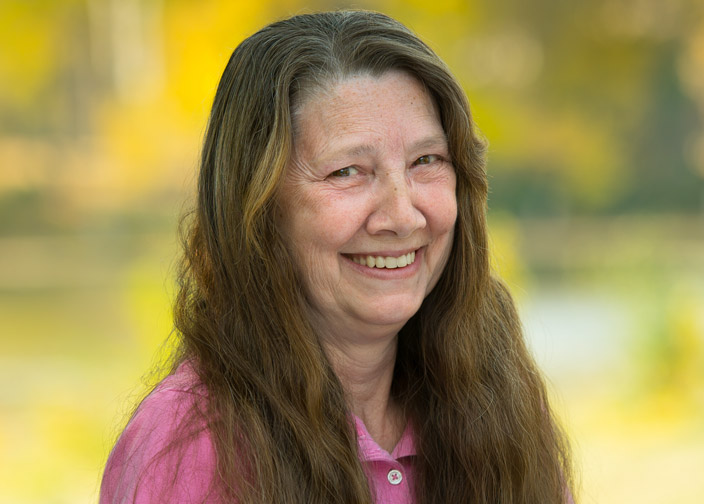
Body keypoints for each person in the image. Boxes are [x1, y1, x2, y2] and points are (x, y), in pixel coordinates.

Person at [100, 10, 573, 503]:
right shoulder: (189, 450)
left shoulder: (499, 402)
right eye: (347, 171)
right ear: (257, 209)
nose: (402, 215)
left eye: (425, 161)